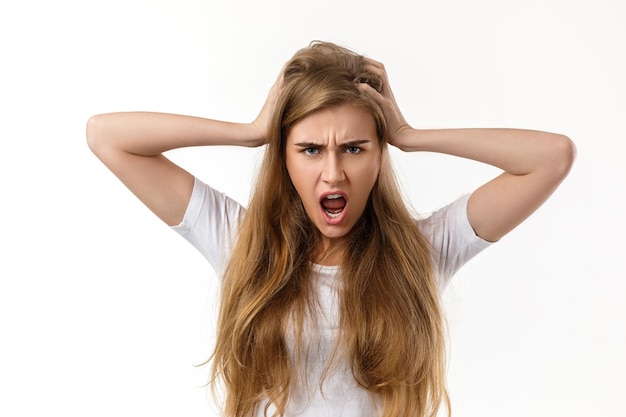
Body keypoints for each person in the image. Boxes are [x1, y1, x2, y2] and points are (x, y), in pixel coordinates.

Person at [86, 41, 575, 417]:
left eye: (355, 148)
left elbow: (551, 158)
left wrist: (410, 136)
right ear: (284, 157)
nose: (334, 173)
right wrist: (252, 131)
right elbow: (107, 137)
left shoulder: (421, 253)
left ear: (379, 156)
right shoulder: (243, 244)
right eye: (311, 149)